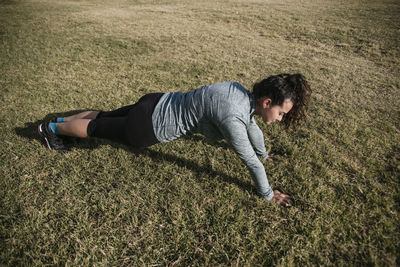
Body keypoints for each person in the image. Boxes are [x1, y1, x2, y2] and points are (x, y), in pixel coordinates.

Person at [38, 73, 311, 207]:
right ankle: (50, 130)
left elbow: (252, 128)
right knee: (95, 129)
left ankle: (61, 123)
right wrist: (267, 194)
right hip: (149, 127)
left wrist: (264, 153)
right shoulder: (232, 116)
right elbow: (249, 161)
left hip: (156, 100)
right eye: (280, 113)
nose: (279, 119)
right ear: (266, 101)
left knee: (104, 117)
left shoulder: (237, 91)